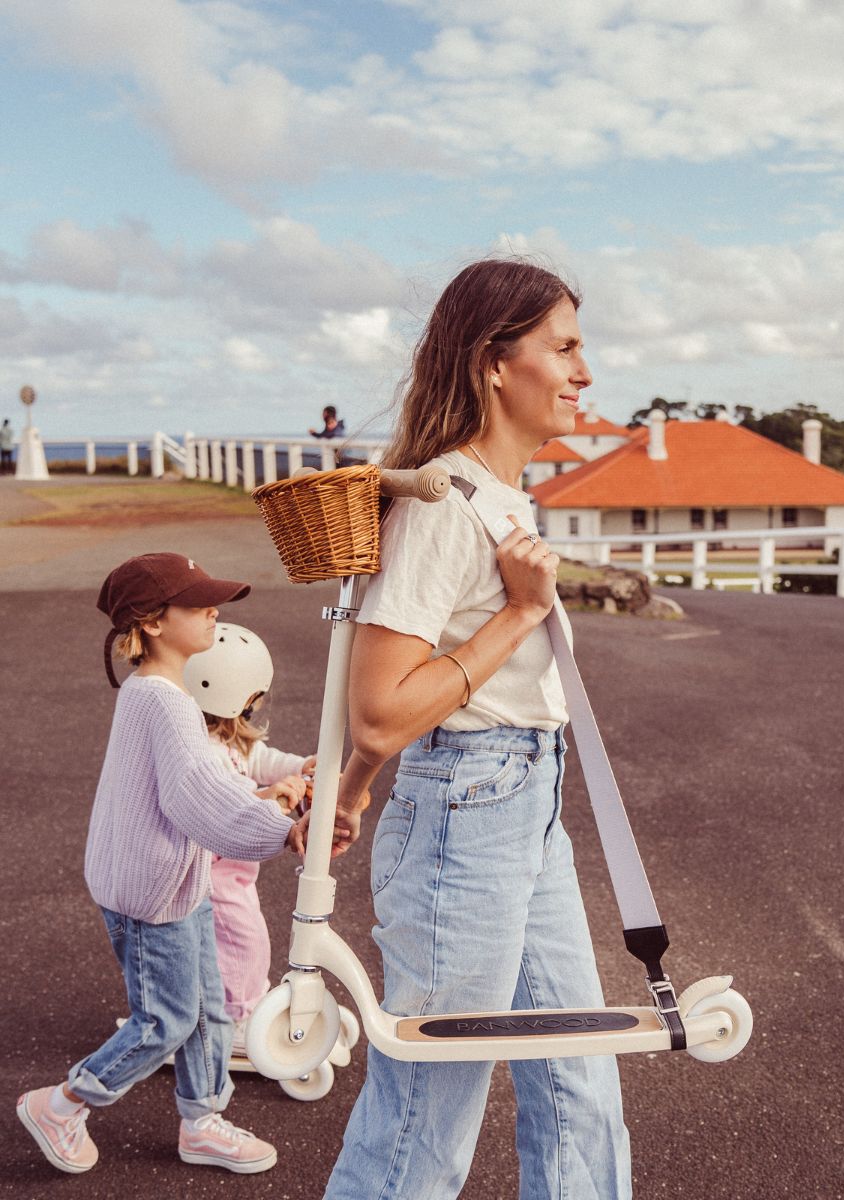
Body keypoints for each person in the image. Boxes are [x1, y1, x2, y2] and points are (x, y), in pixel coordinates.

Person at [320, 259, 632, 1199]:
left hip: (521, 800)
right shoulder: (445, 504)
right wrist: (520, 615)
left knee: (581, 1083)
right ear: (497, 364)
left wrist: (354, 788)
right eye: (565, 348)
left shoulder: (497, 497)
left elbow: (399, 717)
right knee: (427, 1114)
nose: (584, 373)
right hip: (471, 814)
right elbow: (377, 707)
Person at [16, 553, 306, 1177]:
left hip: (175, 880)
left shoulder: (157, 693)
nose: (213, 610)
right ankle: (63, 1104)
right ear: (150, 622)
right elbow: (196, 793)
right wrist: (281, 829)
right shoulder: (163, 702)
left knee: (207, 1006)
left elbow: (197, 785)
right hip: (149, 893)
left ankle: (202, 1120)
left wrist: (267, 800)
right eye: (196, 602)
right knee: (165, 1020)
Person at [182, 622, 315, 1051]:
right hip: (213, 879)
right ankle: (240, 1021)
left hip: (235, 873)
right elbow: (227, 798)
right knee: (244, 941)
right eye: (252, 698)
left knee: (243, 942)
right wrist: (270, 795)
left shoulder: (226, 736)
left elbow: (261, 758)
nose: (254, 706)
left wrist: (299, 767)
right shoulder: (199, 752)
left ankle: (239, 1004)